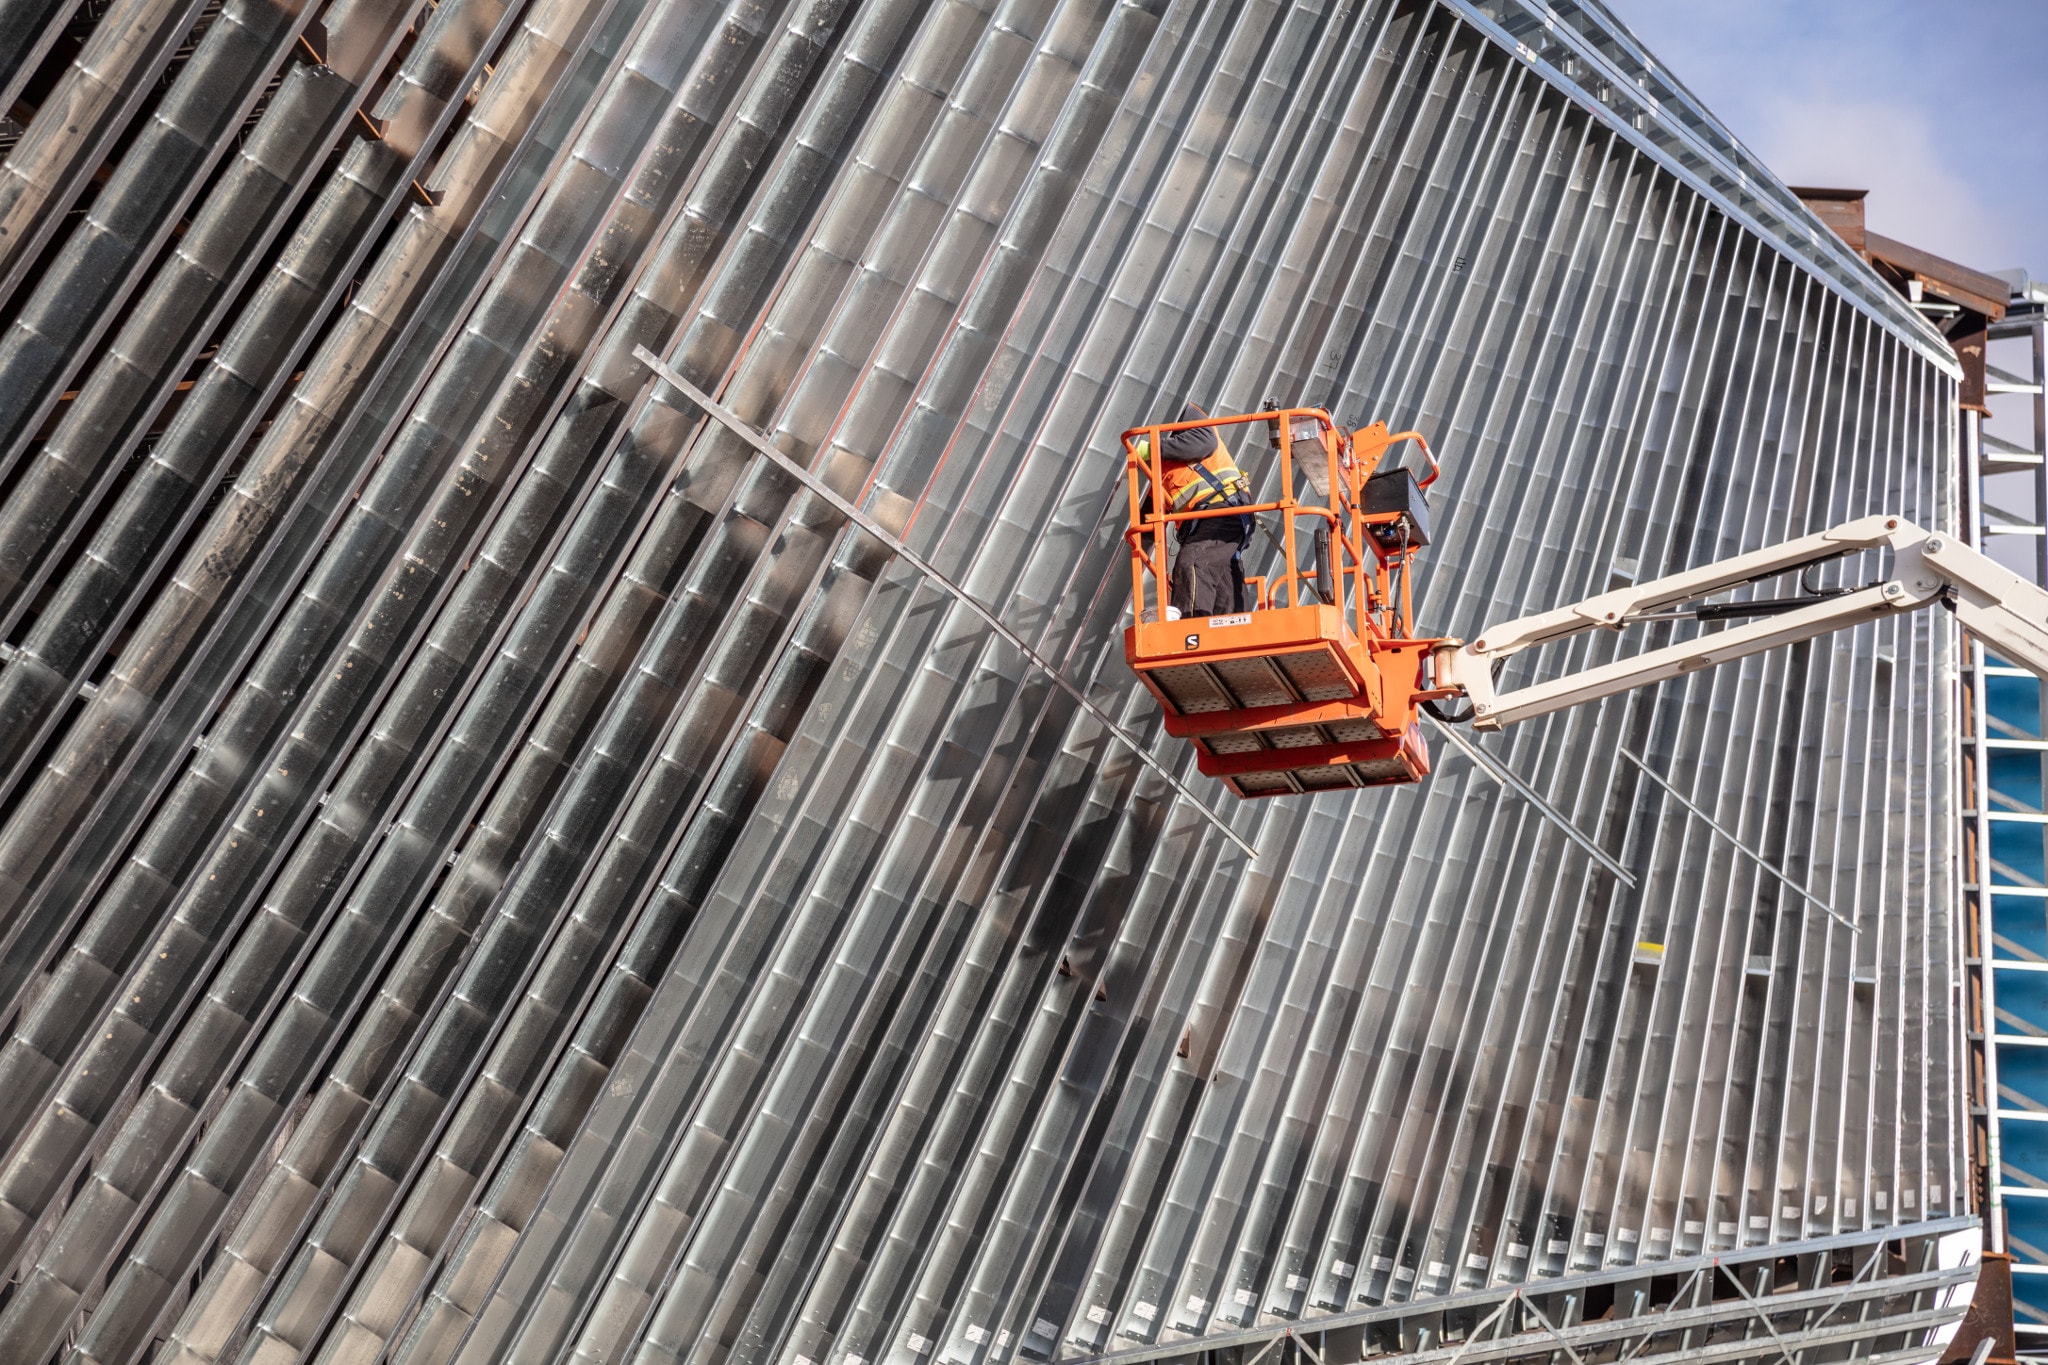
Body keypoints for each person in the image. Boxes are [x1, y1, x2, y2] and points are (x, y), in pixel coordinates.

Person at [1135, 402, 1254, 618]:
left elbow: (1204, 441)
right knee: (1224, 586)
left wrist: (1148, 448)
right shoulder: (1158, 474)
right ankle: (1232, 639)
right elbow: (1147, 524)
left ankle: (1189, 630)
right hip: (1210, 520)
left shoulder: (1188, 420)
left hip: (1222, 509)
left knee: (1193, 562)